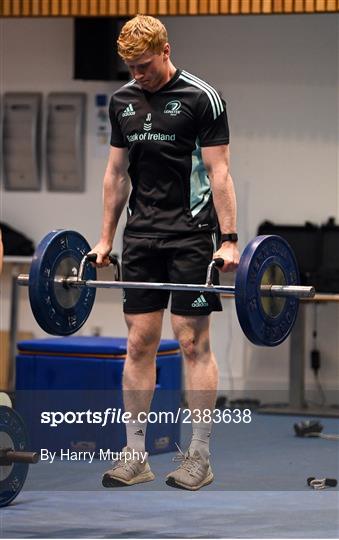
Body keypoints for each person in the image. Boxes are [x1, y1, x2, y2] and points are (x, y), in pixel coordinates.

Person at [90, 14, 240, 491]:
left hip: (193, 235)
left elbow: (219, 173)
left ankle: (199, 455)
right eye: (131, 67)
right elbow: (117, 175)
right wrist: (105, 238)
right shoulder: (122, 102)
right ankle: (136, 454)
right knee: (138, 344)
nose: (139, 74)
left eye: (146, 65)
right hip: (142, 238)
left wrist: (231, 238)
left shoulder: (202, 97)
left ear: (166, 49)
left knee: (193, 341)